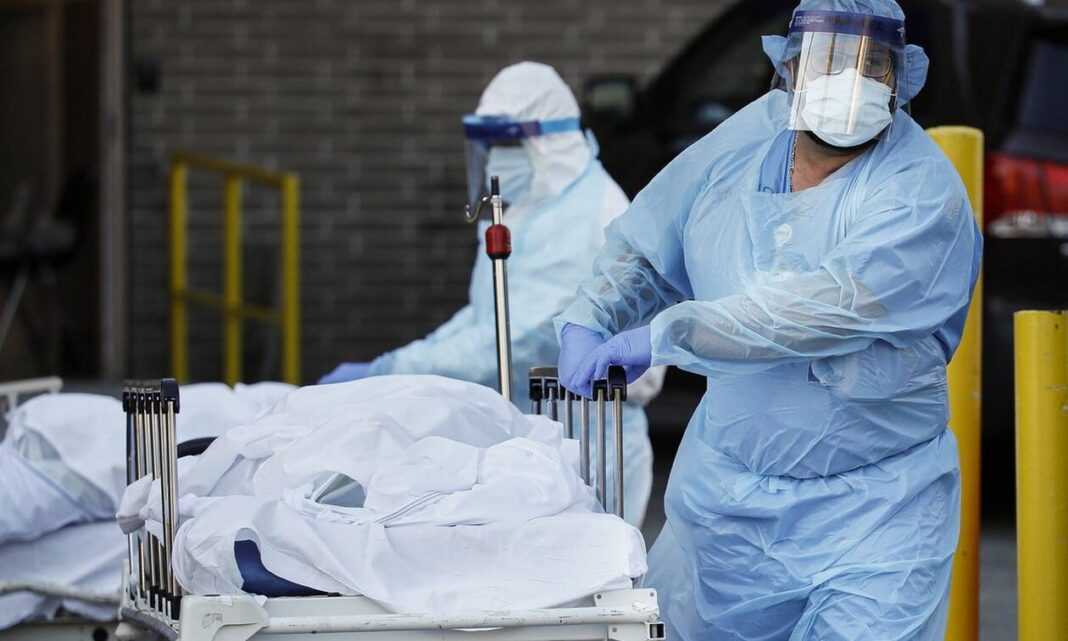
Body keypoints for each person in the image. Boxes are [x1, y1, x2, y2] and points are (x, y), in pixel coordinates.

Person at [554, 1, 982, 639]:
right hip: (724, 506)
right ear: (788, 69)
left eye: (872, 66)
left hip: (877, 517)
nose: (849, 81)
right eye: (828, 59)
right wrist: (593, 315)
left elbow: (813, 311)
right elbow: (649, 242)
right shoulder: (747, 141)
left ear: (901, 80)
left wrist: (664, 336)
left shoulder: (922, 192)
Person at [319, 61, 664, 527]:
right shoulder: (530, 210)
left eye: (508, 144)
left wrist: (394, 370)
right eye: (490, 145)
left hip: (589, 438)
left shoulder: (591, 217)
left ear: (548, 143)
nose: (498, 159)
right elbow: (486, 316)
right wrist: (401, 362)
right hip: (531, 433)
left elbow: (521, 337)